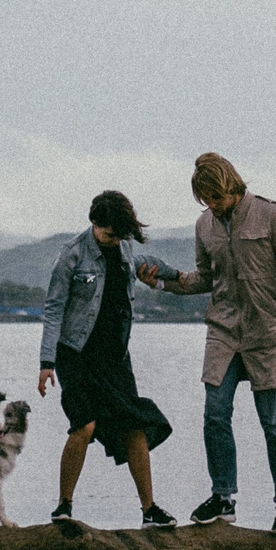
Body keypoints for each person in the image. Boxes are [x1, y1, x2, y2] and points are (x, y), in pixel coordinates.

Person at [137, 151, 276, 534]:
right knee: (215, 414)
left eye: (216, 199)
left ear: (231, 187)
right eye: (205, 202)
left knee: (275, 422)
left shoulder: (272, 215)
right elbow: (203, 279)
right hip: (223, 331)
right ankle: (223, 498)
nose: (211, 208)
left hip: (269, 333)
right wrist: (163, 283)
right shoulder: (205, 225)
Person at [38, 189, 176, 528]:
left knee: (134, 425)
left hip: (115, 357)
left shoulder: (125, 249)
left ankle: (149, 511)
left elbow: (157, 267)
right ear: (94, 223)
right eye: (108, 234)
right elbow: (53, 308)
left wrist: (187, 277)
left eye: (120, 235)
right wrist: (46, 363)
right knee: (84, 424)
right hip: (76, 355)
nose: (114, 241)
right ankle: (64, 507)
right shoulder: (71, 255)